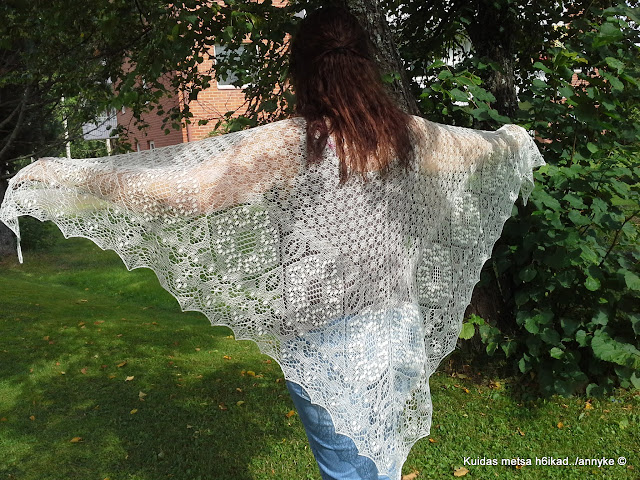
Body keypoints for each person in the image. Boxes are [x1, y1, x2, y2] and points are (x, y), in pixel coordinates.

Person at [0, 6, 546, 480]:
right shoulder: (407, 134)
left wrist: (69, 173)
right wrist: (514, 139)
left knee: (347, 470)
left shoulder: (296, 142)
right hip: (395, 324)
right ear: (366, 65)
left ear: (302, 69)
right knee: (380, 460)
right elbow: (480, 149)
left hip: (327, 338)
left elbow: (180, 194)